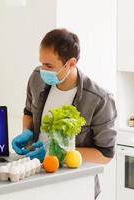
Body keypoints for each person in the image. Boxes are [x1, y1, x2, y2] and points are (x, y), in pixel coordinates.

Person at [12, 28, 117, 198]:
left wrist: (56, 153)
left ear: (71, 63)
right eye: (41, 62)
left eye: (49, 65)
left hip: (75, 186)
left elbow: (105, 154)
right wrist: (27, 131)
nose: (42, 69)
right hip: (35, 177)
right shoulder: (37, 78)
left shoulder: (100, 100)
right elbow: (28, 112)